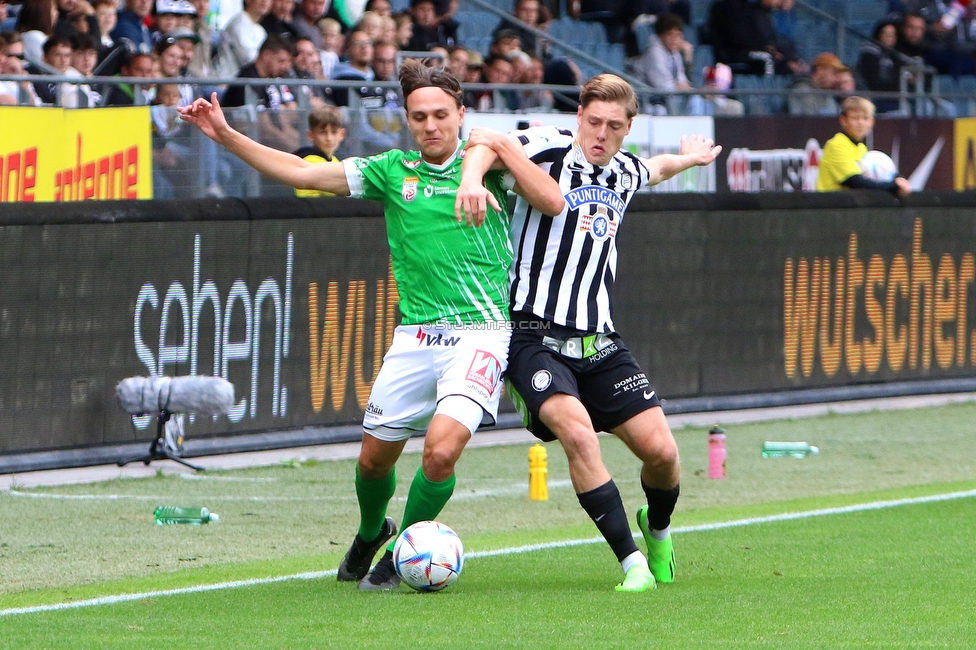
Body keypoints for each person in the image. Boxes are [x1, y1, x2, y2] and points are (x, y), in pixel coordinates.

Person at [178, 58, 564, 591]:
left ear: (460, 114)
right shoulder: (392, 170)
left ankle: (401, 550)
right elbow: (303, 172)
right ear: (407, 119)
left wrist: (498, 148)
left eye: (440, 115)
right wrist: (224, 134)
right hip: (416, 336)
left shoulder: (490, 164)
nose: (430, 126)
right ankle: (370, 531)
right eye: (418, 116)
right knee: (373, 460)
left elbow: (552, 201)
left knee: (441, 449)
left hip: (480, 333)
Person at [457, 73, 721, 593]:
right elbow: (484, 139)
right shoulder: (548, 146)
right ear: (579, 116)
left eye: (614, 126)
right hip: (532, 336)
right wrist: (471, 180)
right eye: (594, 121)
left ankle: (658, 530)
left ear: (628, 129)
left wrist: (688, 159)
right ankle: (632, 564)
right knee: (578, 435)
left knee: (663, 455)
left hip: (599, 340)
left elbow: (656, 168)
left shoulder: (624, 169)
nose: (601, 133)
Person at [816, 96, 911, 197]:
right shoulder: (836, 145)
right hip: (831, 207)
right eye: (855, 118)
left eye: (865, 118)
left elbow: (877, 175)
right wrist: (894, 186)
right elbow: (855, 182)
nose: (860, 123)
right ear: (843, 121)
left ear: (871, 122)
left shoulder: (861, 148)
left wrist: (899, 179)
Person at [292, 104, 345, 197]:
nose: (329, 138)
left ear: (342, 134)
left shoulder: (335, 161)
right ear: (310, 135)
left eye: (334, 132)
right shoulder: (308, 162)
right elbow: (308, 202)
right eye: (323, 132)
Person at [788, 51, 845, 116]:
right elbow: (811, 121)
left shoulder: (827, 93)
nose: (836, 79)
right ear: (820, 70)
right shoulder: (803, 90)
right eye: (834, 73)